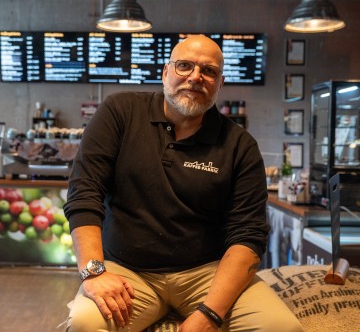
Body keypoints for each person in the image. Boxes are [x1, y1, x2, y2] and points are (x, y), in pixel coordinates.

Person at [64, 34, 303, 332]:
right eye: (184, 66)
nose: (195, 77)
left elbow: (248, 234)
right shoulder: (119, 113)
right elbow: (84, 194)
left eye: (209, 71)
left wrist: (210, 315)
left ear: (220, 83)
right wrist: (94, 273)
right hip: (127, 270)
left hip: (208, 273)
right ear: (165, 72)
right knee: (85, 324)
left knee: (281, 328)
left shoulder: (239, 145)